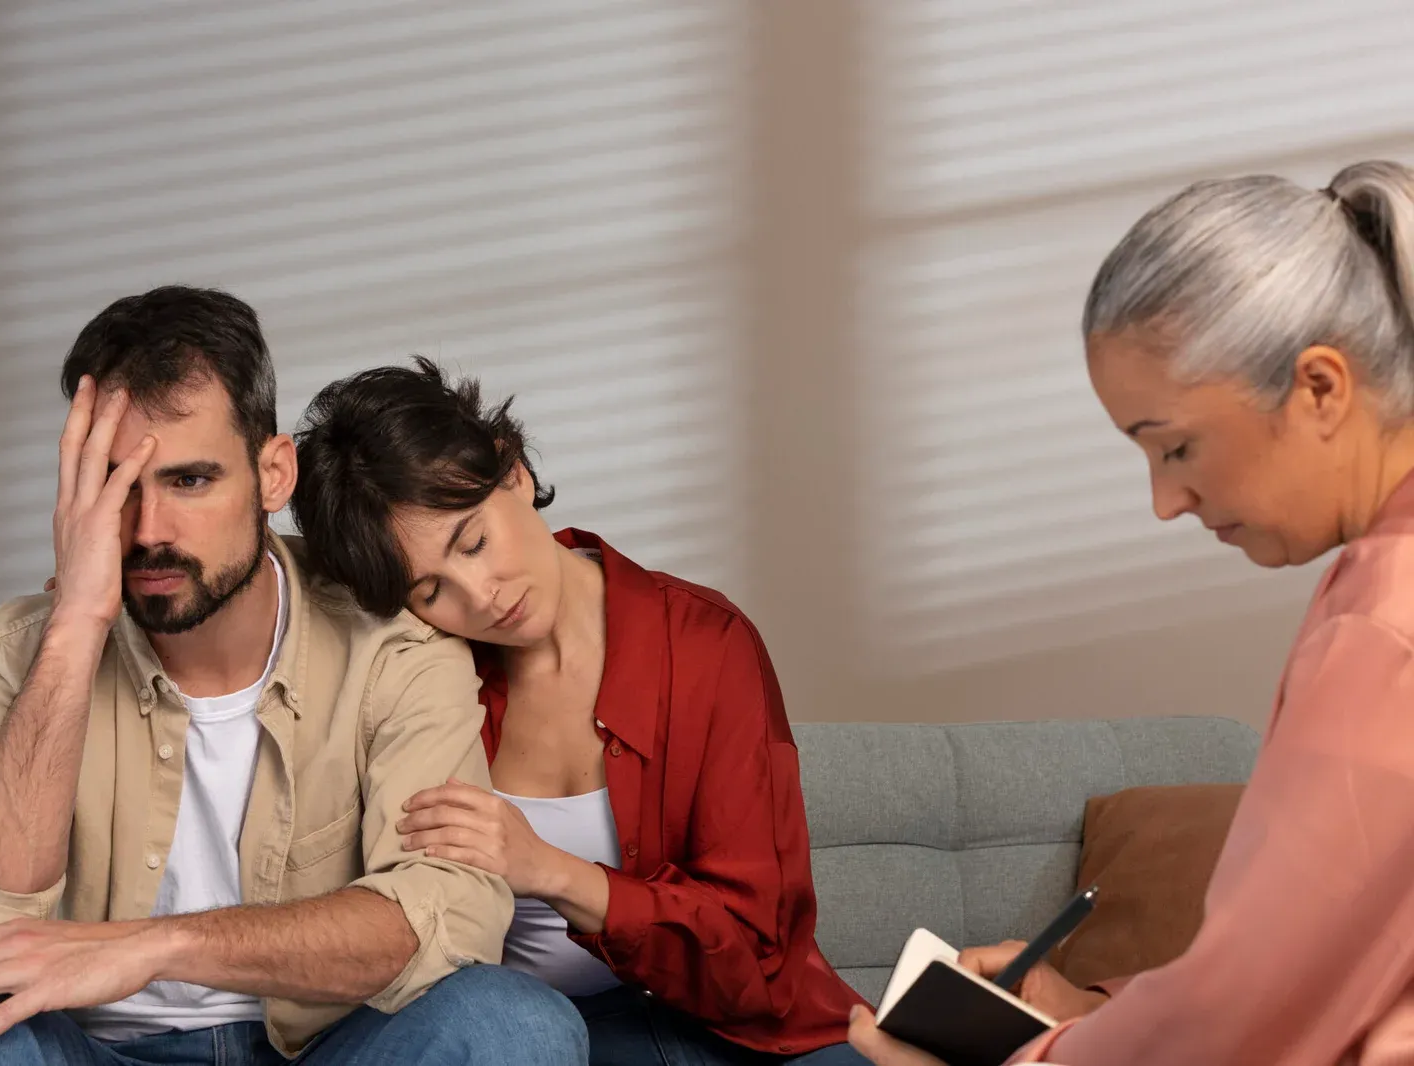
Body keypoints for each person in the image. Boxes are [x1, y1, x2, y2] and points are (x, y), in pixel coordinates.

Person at [0, 287, 587, 1065]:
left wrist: (158, 946)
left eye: (189, 481)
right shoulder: (8, 651)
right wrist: (74, 628)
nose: (146, 532)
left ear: (274, 474)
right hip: (91, 1051)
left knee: (514, 1024)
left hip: (323, 1050)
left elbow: (448, 916)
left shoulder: (392, 647)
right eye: (114, 484)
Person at [849, 159, 1414, 1065]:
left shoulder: (1386, 621)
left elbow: (1252, 1014)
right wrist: (1103, 1017)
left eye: (1176, 447)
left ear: (1319, 387)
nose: (1165, 502)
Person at [287, 358, 870, 1065]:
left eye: (473, 541)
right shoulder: (424, 676)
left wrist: (549, 869)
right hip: (528, 1034)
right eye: (432, 590)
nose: (480, 595)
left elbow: (757, 949)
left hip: (721, 1024)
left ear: (514, 473)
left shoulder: (705, 646)